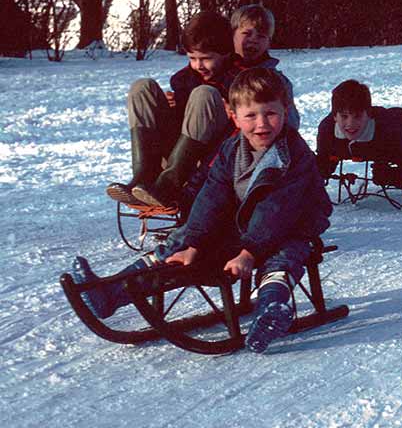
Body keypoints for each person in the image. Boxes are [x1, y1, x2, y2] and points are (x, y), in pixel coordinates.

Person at [70, 67, 332, 353]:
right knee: (180, 244)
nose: (262, 124)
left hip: (294, 223)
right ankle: (110, 293)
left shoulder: (293, 155)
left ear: (286, 110)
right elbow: (212, 195)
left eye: (271, 113)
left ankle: (271, 309)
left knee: (284, 256)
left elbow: (277, 210)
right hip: (245, 223)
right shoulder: (232, 149)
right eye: (250, 116)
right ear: (233, 115)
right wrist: (194, 242)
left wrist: (248, 253)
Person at [106, 11, 241, 210]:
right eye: (192, 58)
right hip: (179, 151)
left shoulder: (239, 80)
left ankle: (169, 185)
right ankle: (144, 175)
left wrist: (233, 108)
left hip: (212, 156)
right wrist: (173, 108)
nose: (198, 65)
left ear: (226, 53)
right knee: (142, 87)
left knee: (204, 93)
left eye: (206, 58)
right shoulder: (184, 79)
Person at [230, 4, 300, 130]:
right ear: (233, 35)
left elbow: (291, 125)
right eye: (247, 33)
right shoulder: (219, 74)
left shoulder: (278, 82)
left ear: (269, 42)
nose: (253, 40)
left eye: (261, 36)